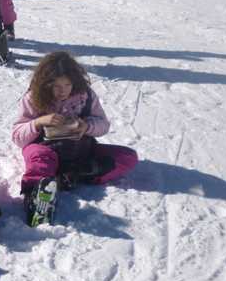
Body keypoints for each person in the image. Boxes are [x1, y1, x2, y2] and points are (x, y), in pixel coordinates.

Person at [11, 51, 138, 221]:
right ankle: (37, 196)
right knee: (40, 160)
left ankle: (71, 176)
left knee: (127, 157)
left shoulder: (85, 96)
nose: (62, 91)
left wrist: (87, 126)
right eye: (56, 86)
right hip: (45, 149)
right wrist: (39, 122)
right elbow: (17, 136)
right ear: (45, 83)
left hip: (80, 151)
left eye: (67, 85)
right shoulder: (33, 98)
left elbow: (103, 124)